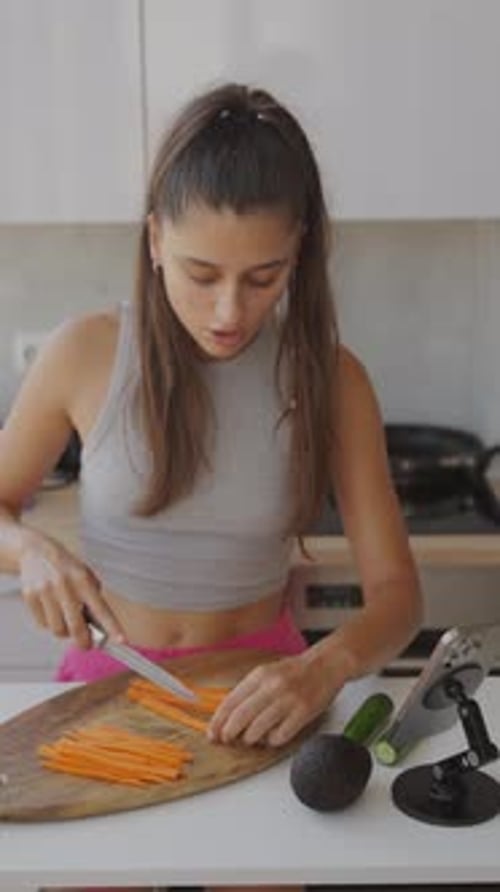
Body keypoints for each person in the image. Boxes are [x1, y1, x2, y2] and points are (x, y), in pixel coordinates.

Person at [0, 82, 421, 892]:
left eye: (263, 277)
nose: (229, 310)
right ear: (154, 239)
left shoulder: (334, 381)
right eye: (201, 273)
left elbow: (398, 593)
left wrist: (326, 668)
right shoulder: (83, 352)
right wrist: (29, 550)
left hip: (267, 698)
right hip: (105, 699)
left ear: (299, 248)